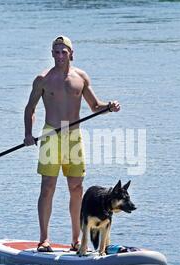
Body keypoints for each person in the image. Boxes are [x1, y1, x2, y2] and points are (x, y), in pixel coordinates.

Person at [23, 35, 120, 252]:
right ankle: (44, 240)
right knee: (48, 187)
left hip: (74, 137)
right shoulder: (43, 79)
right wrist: (28, 134)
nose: (59, 56)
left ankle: (76, 240)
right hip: (51, 136)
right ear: (52, 54)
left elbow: (95, 106)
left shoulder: (81, 77)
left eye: (63, 52)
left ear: (71, 54)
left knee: (76, 189)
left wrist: (109, 106)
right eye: (56, 52)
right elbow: (30, 109)